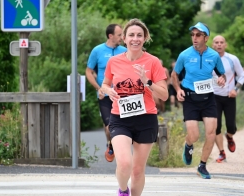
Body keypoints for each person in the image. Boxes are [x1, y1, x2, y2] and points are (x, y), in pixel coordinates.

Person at [101, 18, 168, 196]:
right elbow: (105, 85)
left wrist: (148, 82)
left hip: (146, 119)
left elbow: (164, 94)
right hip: (120, 118)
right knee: (124, 163)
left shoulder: (153, 62)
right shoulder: (114, 61)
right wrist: (109, 91)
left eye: (139, 35)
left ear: (145, 38)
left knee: (137, 170)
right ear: (124, 38)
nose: (135, 39)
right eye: (131, 35)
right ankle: (123, 190)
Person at [171, 22, 226, 179]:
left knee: (210, 133)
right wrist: (178, 90)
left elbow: (222, 74)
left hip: (208, 98)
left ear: (206, 38)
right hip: (190, 98)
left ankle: (202, 166)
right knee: (194, 135)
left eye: (198, 35)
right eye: (192, 35)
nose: (194, 38)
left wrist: (222, 79)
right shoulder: (185, 55)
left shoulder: (214, 56)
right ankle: (189, 145)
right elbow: (174, 75)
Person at [85, 24, 127, 163]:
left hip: (121, 95)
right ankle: (111, 143)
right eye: (120, 34)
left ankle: (114, 146)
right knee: (109, 126)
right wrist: (99, 88)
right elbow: (88, 72)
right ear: (111, 36)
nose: (122, 37)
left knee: (120, 124)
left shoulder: (125, 51)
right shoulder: (97, 51)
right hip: (105, 95)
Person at [212, 35, 244, 163]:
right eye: (216, 42)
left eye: (221, 42)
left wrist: (235, 89)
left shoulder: (232, 59)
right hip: (214, 97)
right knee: (216, 126)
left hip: (229, 96)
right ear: (213, 45)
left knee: (231, 126)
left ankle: (229, 136)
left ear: (225, 45)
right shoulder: (207, 59)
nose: (219, 44)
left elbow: (242, 76)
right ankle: (222, 153)